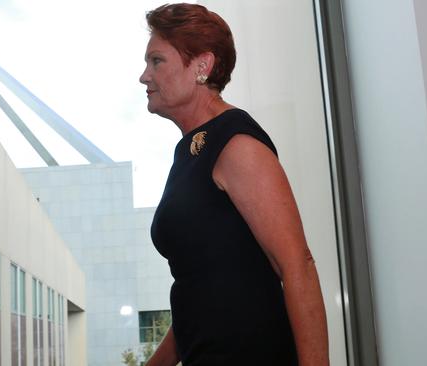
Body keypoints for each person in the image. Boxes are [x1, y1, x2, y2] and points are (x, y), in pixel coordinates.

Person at [139, 3, 329, 366]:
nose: (144, 76)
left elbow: (298, 265)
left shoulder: (236, 143)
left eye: (157, 61)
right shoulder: (190, 152)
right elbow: (200, 293)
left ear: (201, 66)